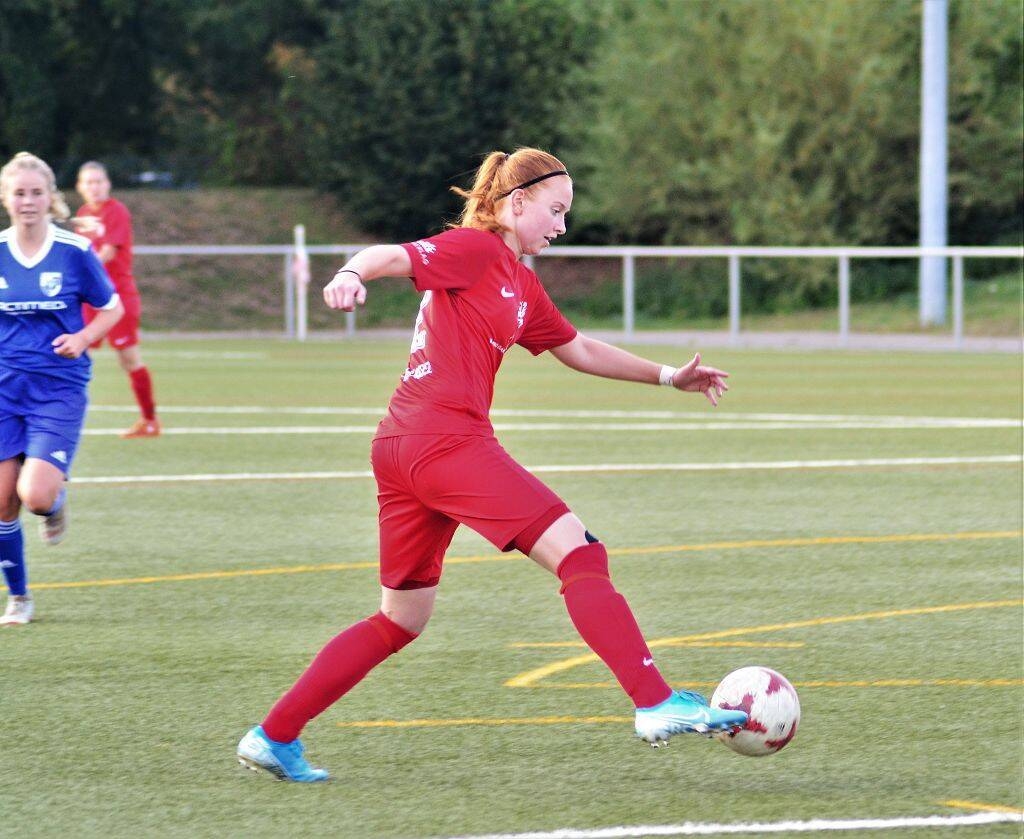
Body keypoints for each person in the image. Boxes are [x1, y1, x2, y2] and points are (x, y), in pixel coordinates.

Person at [236, 148, 747, 781]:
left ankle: (274, 735)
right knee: (581, 555)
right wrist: (350, 272)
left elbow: (578, 348)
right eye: (555, 210)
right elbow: (393, 255)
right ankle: (655, 701)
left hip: (403, 444)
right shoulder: (475, 250)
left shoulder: (520, 282)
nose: (561, 225)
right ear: (517, 201)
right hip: (444, 440)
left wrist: (669, 376)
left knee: (401, 619)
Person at [0, 152, 124, 626]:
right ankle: (19, 598)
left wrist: (83, 338)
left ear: (50, 197)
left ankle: (53, 504)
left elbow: (111, 308)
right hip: (4, 389)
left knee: (33, 495)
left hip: (57, 389)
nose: (28, 201)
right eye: (19, 193)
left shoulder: (73, 250)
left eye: (37, 192)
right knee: (3, 501)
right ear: (6, 199)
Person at [73, 161, 160, 438]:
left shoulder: (116, 211)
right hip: (90, 300)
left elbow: (108, 252)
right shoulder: (83, 215)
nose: (94, 187)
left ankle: (149, 420)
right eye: (89, 182)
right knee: (75, 355)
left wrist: (81, 273)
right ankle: (67, 416)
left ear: (108, 184)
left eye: (99, 181)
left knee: (129, 359)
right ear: (80, 187)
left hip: (118, 297)